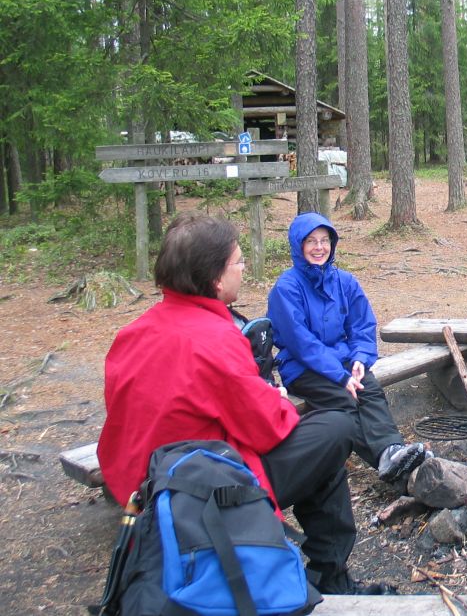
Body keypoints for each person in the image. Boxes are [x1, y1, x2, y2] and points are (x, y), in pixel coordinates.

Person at [98, 213, 388, 595]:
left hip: (144, 483)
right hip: (201, 489)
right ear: (217, 278)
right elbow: (267, 427)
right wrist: (276, 399)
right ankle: (329, 577)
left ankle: (328, 574)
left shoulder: (134, 332)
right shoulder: (214, 338)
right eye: (238, 261)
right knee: (335, 429)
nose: (243, 268)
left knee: (321, 443)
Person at [267, 212, 429, 483]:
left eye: (324, 240)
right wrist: (340, 377)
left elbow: (362, 325)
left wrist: (360, 359)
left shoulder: (344, 281)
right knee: (345, 401)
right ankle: (389, 464)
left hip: (342, 360)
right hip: (302, 368)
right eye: (311, 241)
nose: (319, 247)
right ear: (298, 245)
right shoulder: (287, 288)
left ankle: (392, 450)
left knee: (370, 389)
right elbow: (302, 344)